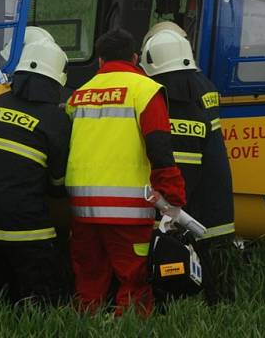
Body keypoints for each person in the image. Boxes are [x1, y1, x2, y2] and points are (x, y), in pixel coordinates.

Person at [65, 27, 186, 316]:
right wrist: (173, 195)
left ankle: (83, 323)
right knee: (134, 278)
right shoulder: (145, 90)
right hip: (127, 208)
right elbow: (159, 147)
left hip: (82, 206)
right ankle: (130, 325)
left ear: (99, 61)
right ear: (135, 58)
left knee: (88, 277)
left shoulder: (78, 96)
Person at [0, 26, 71, 304]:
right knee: (42, 288)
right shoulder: (54, 120)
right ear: (56, 81)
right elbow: (58, 184)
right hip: (21, 221)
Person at [140, 22, 236, 304]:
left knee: (163, 249)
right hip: (204, 188)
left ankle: (164, 299)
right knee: (202, 253)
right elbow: (212, 152)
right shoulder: (201, 89)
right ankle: (213, 302)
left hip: (170, 190)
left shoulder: (158, 97)